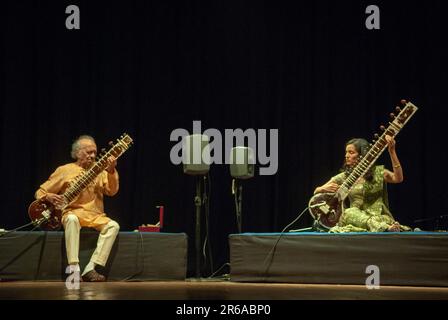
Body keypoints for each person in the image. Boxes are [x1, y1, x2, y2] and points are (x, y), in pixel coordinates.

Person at [35, 135, 120, 281]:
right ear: (77, 152)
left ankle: (90, 268)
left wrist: (111, 170)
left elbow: (112, 191)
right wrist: (48, 196)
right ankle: (73, 268)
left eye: (94, 152)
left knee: (113, 226)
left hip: (95, 215)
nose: (93, 156)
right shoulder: (65, 170)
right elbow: (40, 192)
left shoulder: (100, 170)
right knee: (72, 220)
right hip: (72, 212)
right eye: (88, 152)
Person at [314, 135, 411, 232]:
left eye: (351, 152)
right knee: (348, 212)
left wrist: (392, 151)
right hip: (355, 217)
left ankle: (381, 226)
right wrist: (323, 189)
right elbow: (316, 191)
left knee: (376, 219)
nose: (346, 155)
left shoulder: (378, 172)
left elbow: (398, 178)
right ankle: (385, 228)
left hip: (378, 216)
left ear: (362, 155)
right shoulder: (345, 177)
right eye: (346, 152)